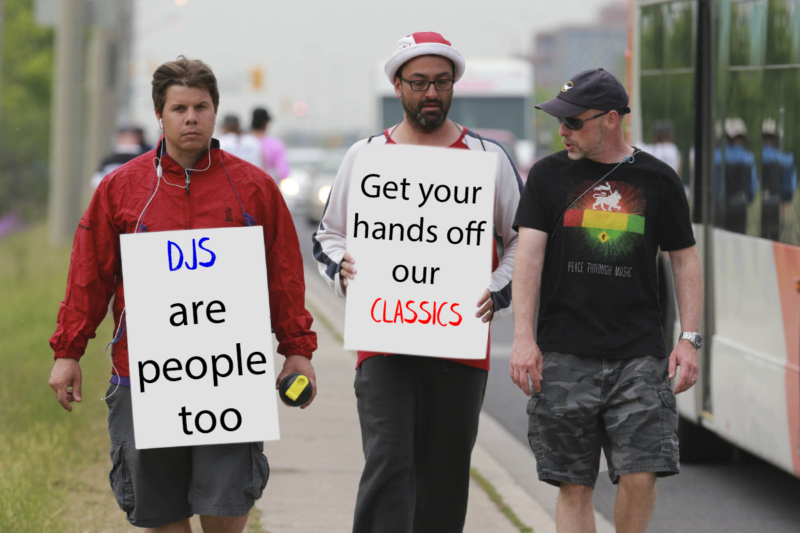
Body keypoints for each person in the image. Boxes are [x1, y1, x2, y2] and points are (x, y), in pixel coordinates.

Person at [48, 56, 318, 533]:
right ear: (160, 114)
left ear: (215, 111)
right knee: (161, 515)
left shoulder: (254, 188)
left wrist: (297, 350)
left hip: (228, 377)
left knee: (226, 510)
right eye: (179, 108)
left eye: (201, 107)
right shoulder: (121, 188)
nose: (191, 118)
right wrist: (68, 351)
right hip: (143, 376)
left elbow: (284, 276)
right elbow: (89, 275)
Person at [312, 32, 521, 532]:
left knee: (445, 472)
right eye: (420, 82)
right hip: (384, 341)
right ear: (398, 86)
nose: (431, 93)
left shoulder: (487, 157)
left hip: (458, 342)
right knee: (388, 457)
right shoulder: (366, 156)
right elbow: (328, 235)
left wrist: (497, 288)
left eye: (442, 82)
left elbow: (523, 242)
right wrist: (342, 269)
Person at [510, 68, 702, 533]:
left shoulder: (658, 179)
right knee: (574, 484)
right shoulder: (547, 176)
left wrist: (689, 339)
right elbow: (529, 257)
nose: (563, 131)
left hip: (639, 354)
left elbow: (685, 260)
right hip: (563, 353)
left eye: (574, 122)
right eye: (560, 121)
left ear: (611, 120)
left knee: (641, 473)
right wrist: (522, 338)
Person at [251, 107, 290, 181]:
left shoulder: (244, 143)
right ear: (266, 123)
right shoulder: (275, 144)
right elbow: (283, 173)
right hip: (267, 183)